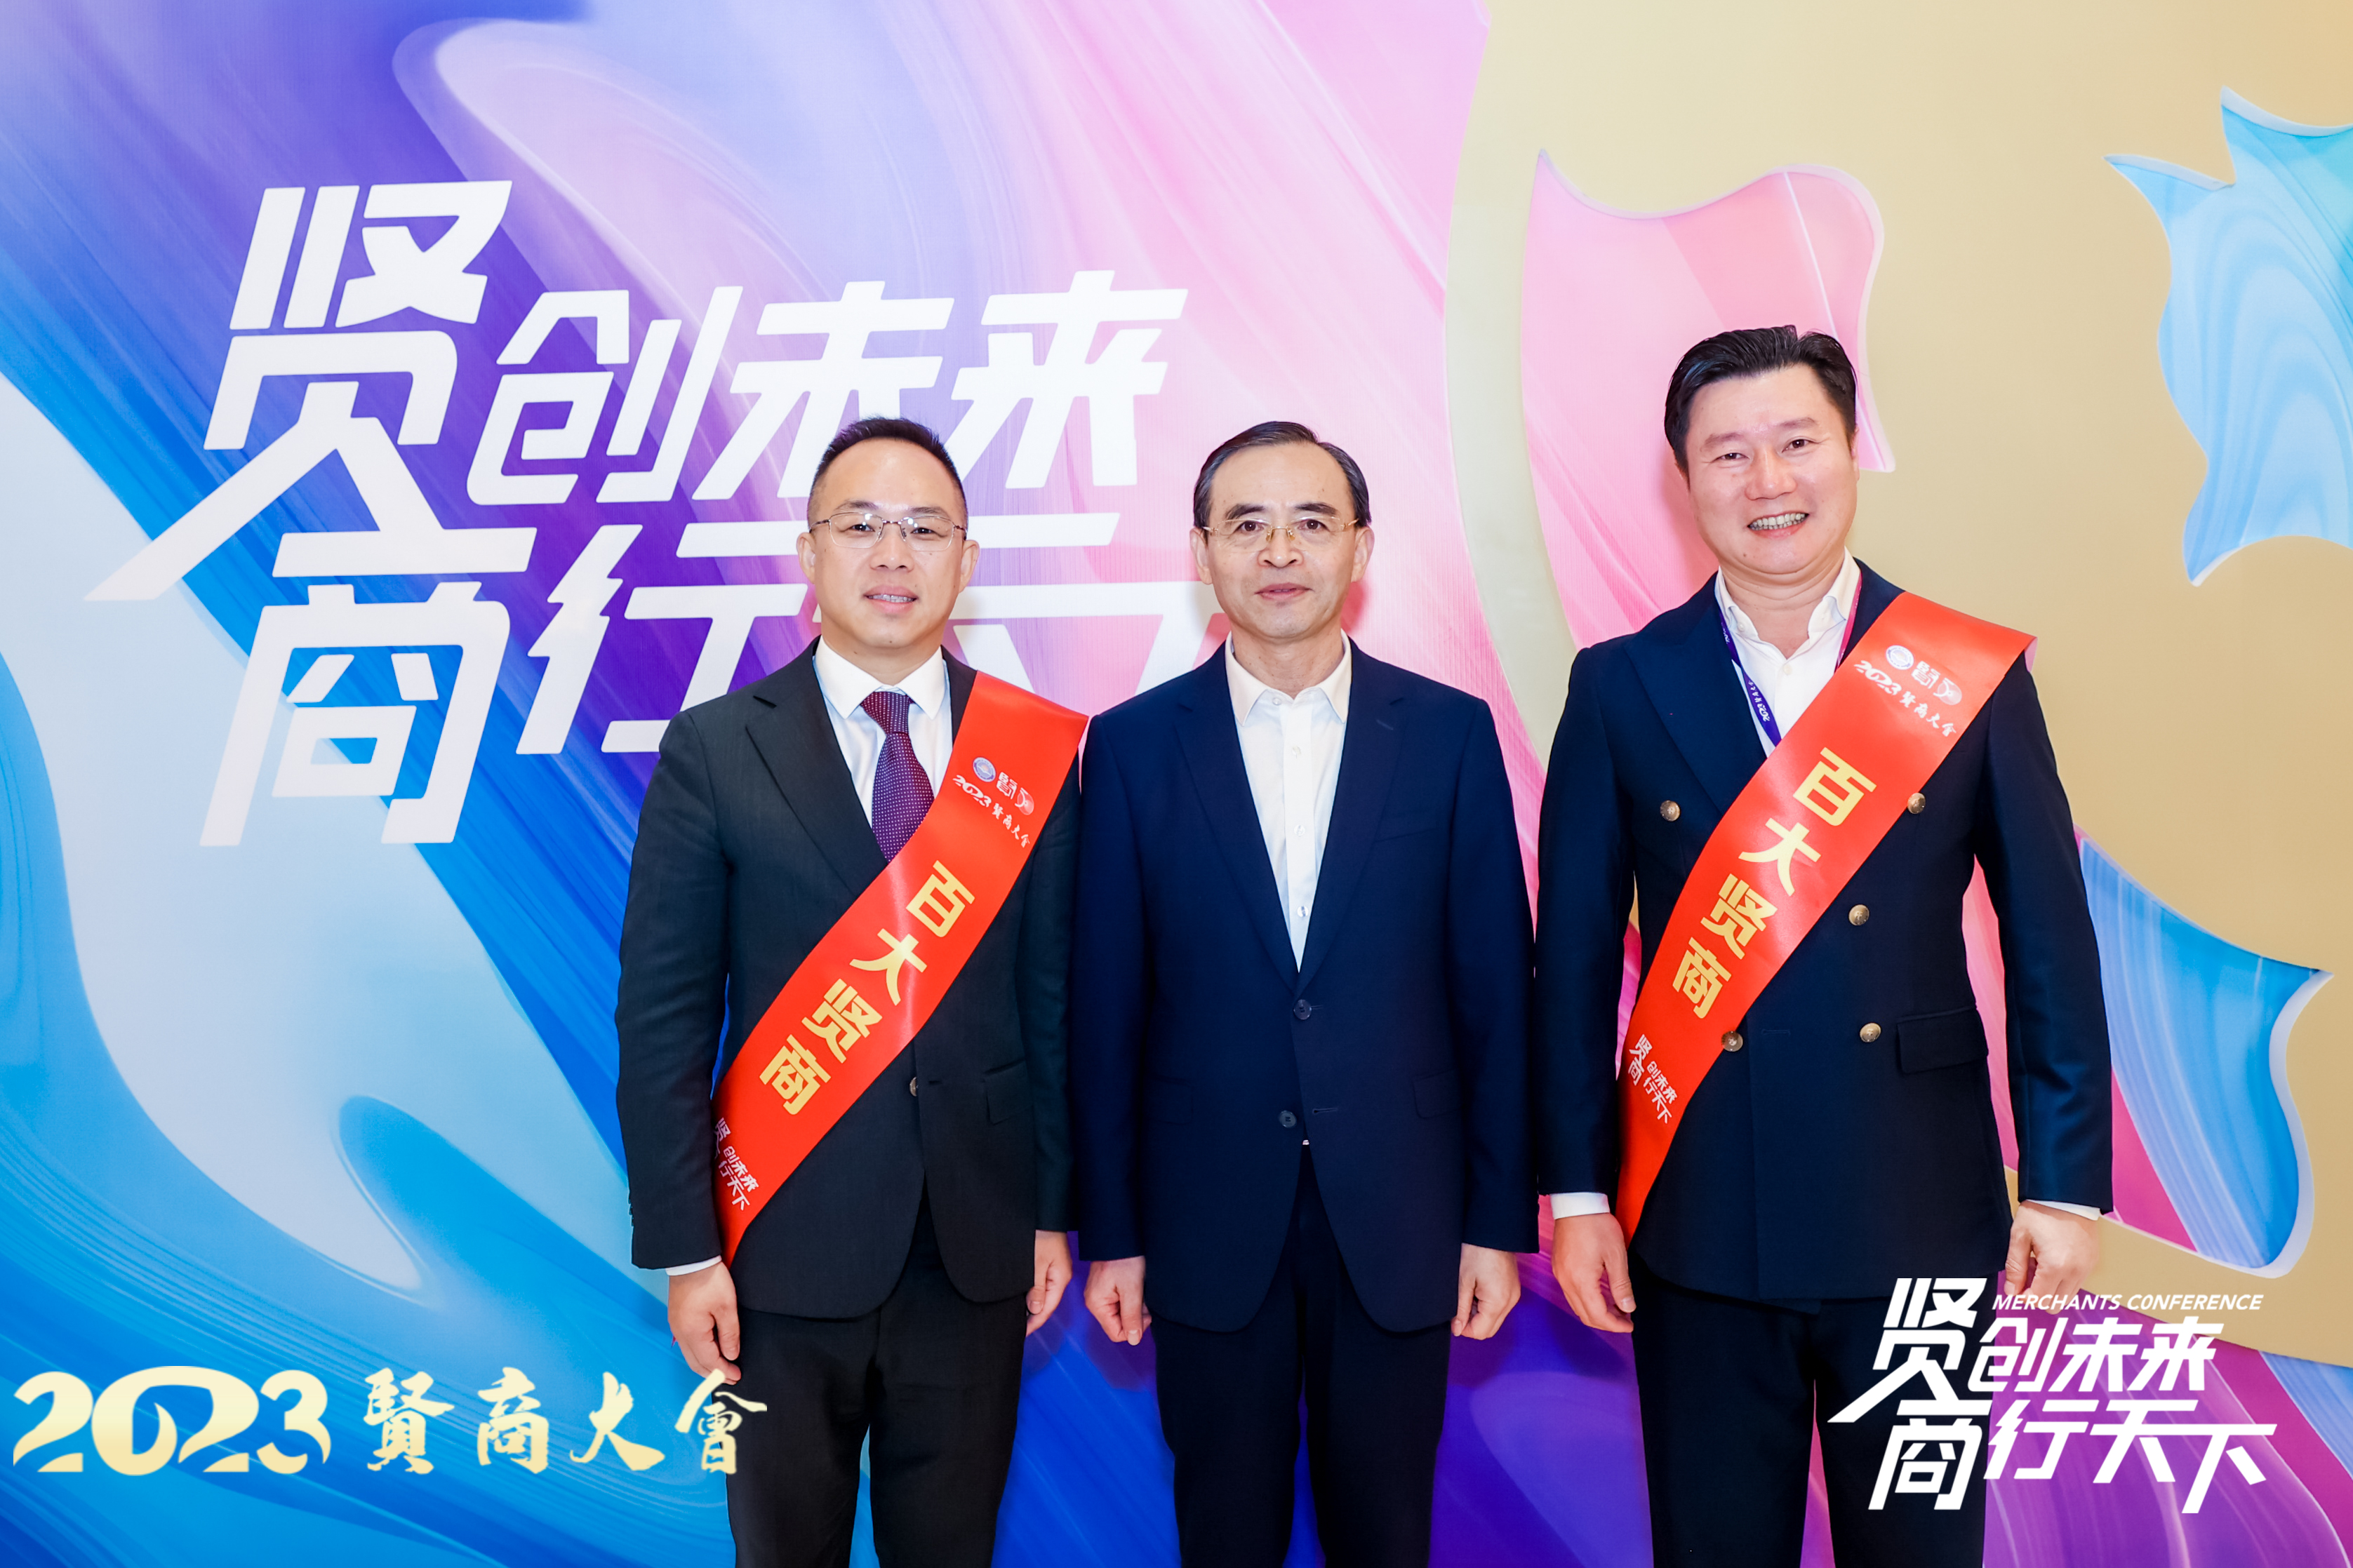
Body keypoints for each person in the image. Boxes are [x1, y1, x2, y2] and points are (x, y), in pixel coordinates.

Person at [1535, 326, 2112, 1565]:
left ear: (1851, 451)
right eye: (1728, 453)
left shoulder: (1959, 671)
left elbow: (2049, 939)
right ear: (1682, 480)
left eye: (1797, 443)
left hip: (1918, 1213)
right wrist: (1577, 1193)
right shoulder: (1620, 685)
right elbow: (1572, 966)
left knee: (1921, 1551)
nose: (1768, 482)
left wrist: (2063, 1182)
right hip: (1697, 1220)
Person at [615, 417, 1083, 1568]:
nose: (891, 555)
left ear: (967, 558)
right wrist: (686, 1252)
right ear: (809, 552)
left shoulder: (1030, 755)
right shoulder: (716, 749)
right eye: (860, 525)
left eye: (924, 528)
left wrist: (1050, 1211)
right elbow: (664, 1021)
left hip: (973, 1248)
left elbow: (1053, 1005)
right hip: (775, 1251)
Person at [1072, 421, 1534, 1567]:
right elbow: (1104, 1009)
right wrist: (1113, 1234)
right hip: (1203, 1221)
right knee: (1222, 1534)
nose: (1279, 551)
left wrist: (1495, 1224)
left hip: (1401, 1216)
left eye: (1311, 523)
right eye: (1246, 525)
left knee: (1385, 1533)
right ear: (1201, 553)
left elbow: (1494, 995)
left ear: (1359, 548)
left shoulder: (1447, 734)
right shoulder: (1129, 748)